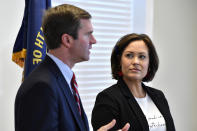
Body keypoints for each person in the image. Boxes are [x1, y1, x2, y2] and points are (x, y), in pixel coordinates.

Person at [14, 4, 130, 131]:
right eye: (88, 34)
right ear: (67, 40)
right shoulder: (42, 87)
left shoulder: (60, 78)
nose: (94, 40)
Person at [91, 33, 176, 131]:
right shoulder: (107, 99)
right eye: (129, 55)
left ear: (149, 63)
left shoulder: (159, 96)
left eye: (142, 57)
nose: (136, 61)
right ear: (119, 61)